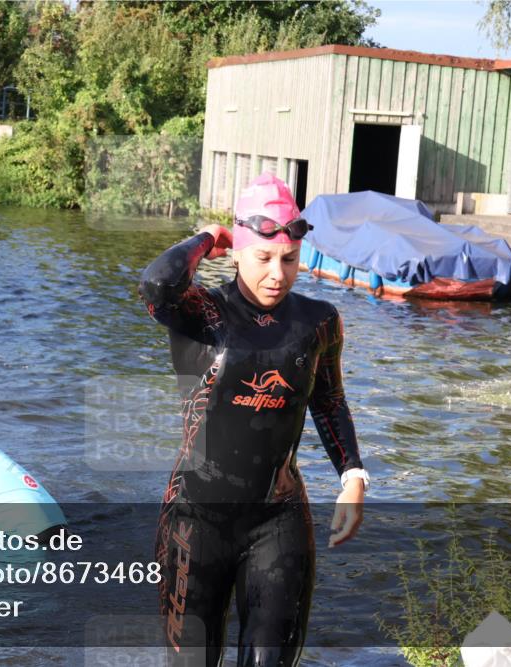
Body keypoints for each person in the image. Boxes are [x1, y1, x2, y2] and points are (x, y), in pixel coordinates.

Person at [138, 173, 368, 666]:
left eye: (288, 260)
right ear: (239, 250)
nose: (277, 274)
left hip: (277, 517)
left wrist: (352, 476)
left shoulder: (318, 321)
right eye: (263, 258)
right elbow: (156, 282)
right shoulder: (200, 311)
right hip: (195, 519)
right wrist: (207, 238)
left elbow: (329, 402)